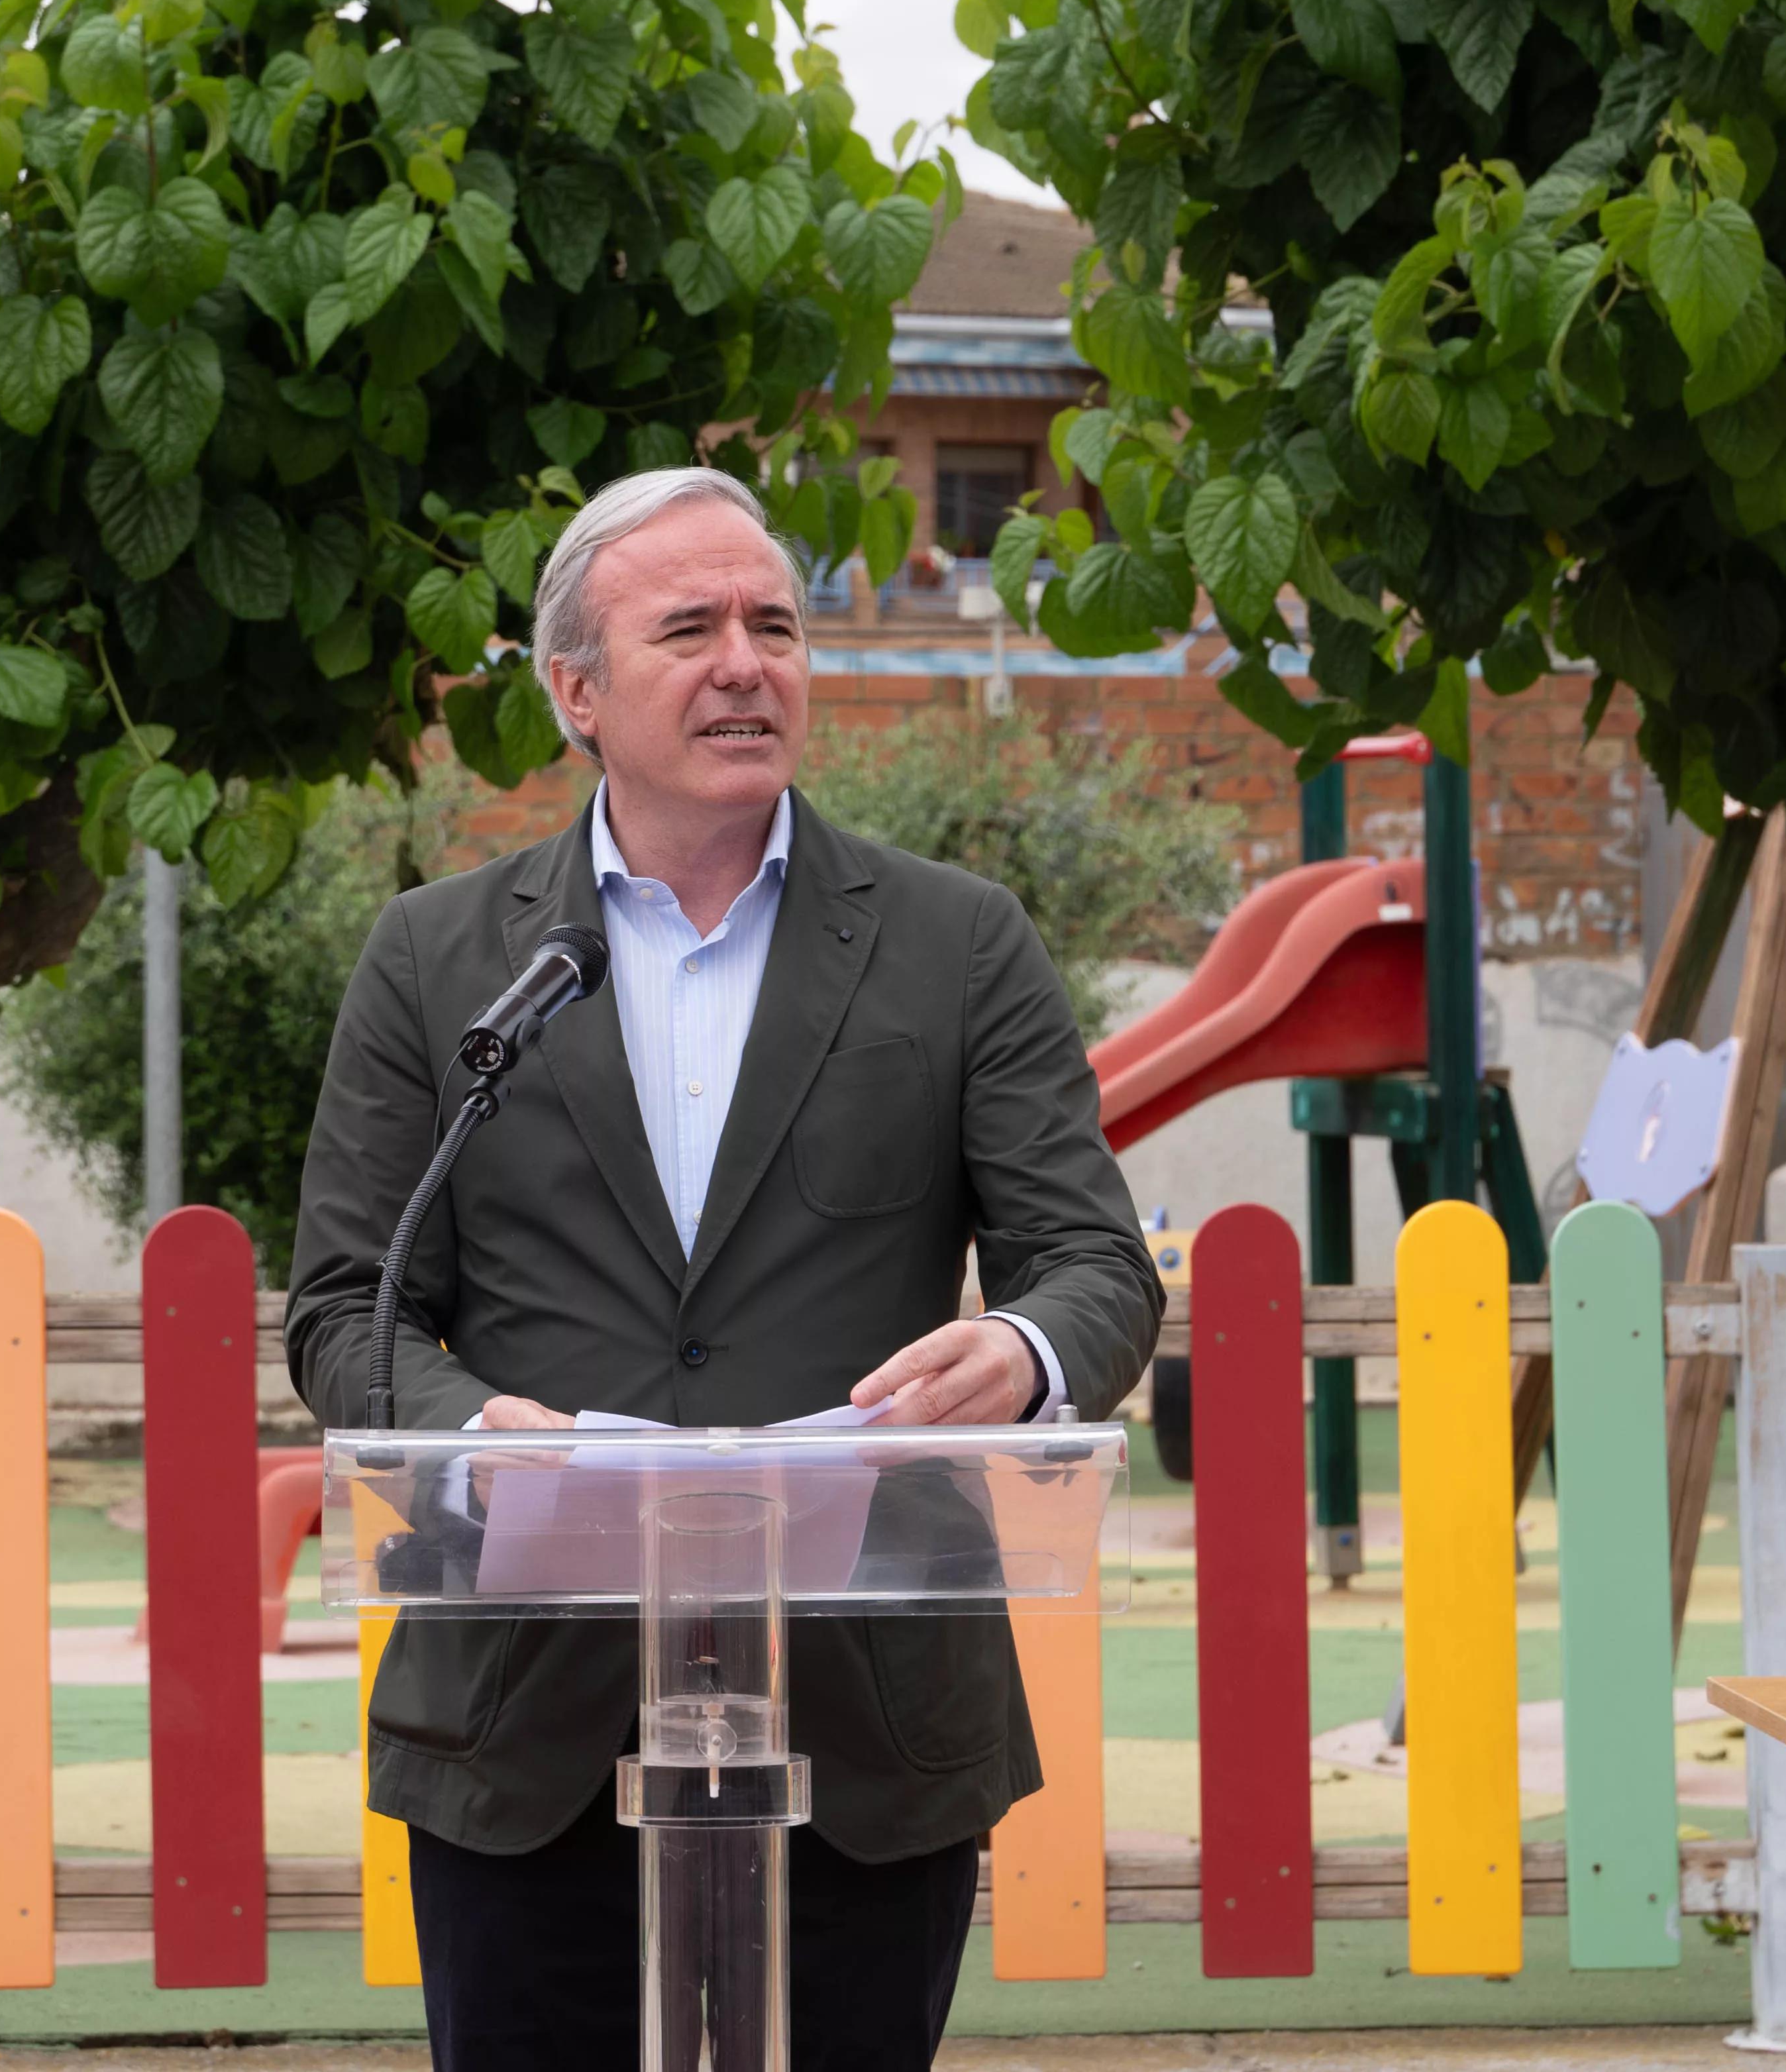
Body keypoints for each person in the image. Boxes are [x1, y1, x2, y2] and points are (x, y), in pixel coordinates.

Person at [286, 465, 1165, 2072]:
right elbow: (351, 1304)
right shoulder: (440, 959)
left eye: (775, 623)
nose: (744, 661)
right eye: (686, 626)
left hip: (867, 1712)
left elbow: (1098, 1262)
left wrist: (1028, 1349)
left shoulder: (956, 942)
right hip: (520, 1711)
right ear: (576, 693)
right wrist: (473, 1431)